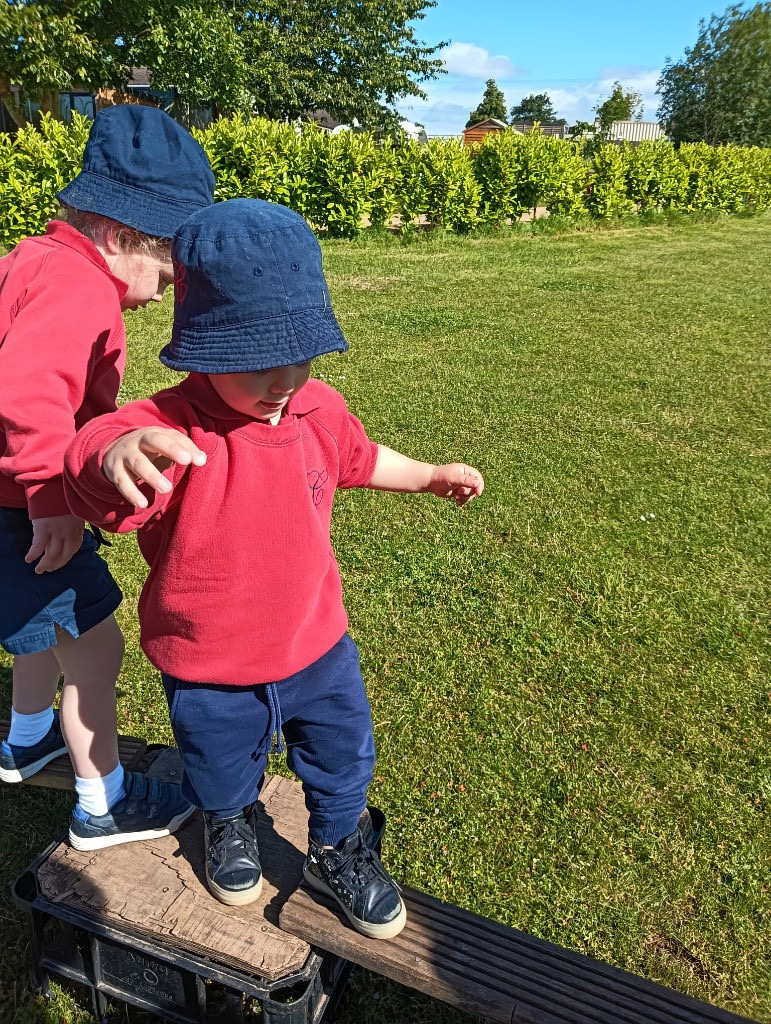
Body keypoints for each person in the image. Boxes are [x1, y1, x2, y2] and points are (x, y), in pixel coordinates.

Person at [63, 198, 484, 938]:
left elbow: (357, 458)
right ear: (202, 349)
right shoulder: (166, 428)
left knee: (343, 754)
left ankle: (337, 847)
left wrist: (426, 474)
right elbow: (98, 454)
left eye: (303, 354)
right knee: (218, 764)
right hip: (208, 658)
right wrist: (109, 457)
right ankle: (228, 820)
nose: (286, 377)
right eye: (259, 360)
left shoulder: (316, 408)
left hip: (315, 642)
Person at [0, 104, 215, 852]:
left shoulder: (32, 258)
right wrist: (52, 497)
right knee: (94, 651)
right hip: (22, 504)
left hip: (9, 503)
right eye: (162, 272)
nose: (161, 294)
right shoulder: (78, 288)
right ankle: (103, 806)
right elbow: (26, 397)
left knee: (42, 634)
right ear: (120, 238)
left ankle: (28, 742)